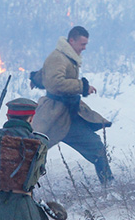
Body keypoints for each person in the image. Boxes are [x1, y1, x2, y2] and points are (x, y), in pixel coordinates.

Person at [32, 26, 114, 185]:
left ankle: (109, 185)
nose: (84, 48)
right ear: (71, 41)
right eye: (82, 44)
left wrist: (36, 79)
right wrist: (82, 86)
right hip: (52, 116)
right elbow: (54, 82)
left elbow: (45, 75)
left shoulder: (67, 57)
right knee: (32, 151)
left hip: (69, 117)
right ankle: (17, 188)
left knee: (96, 147)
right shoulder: (58, 57)